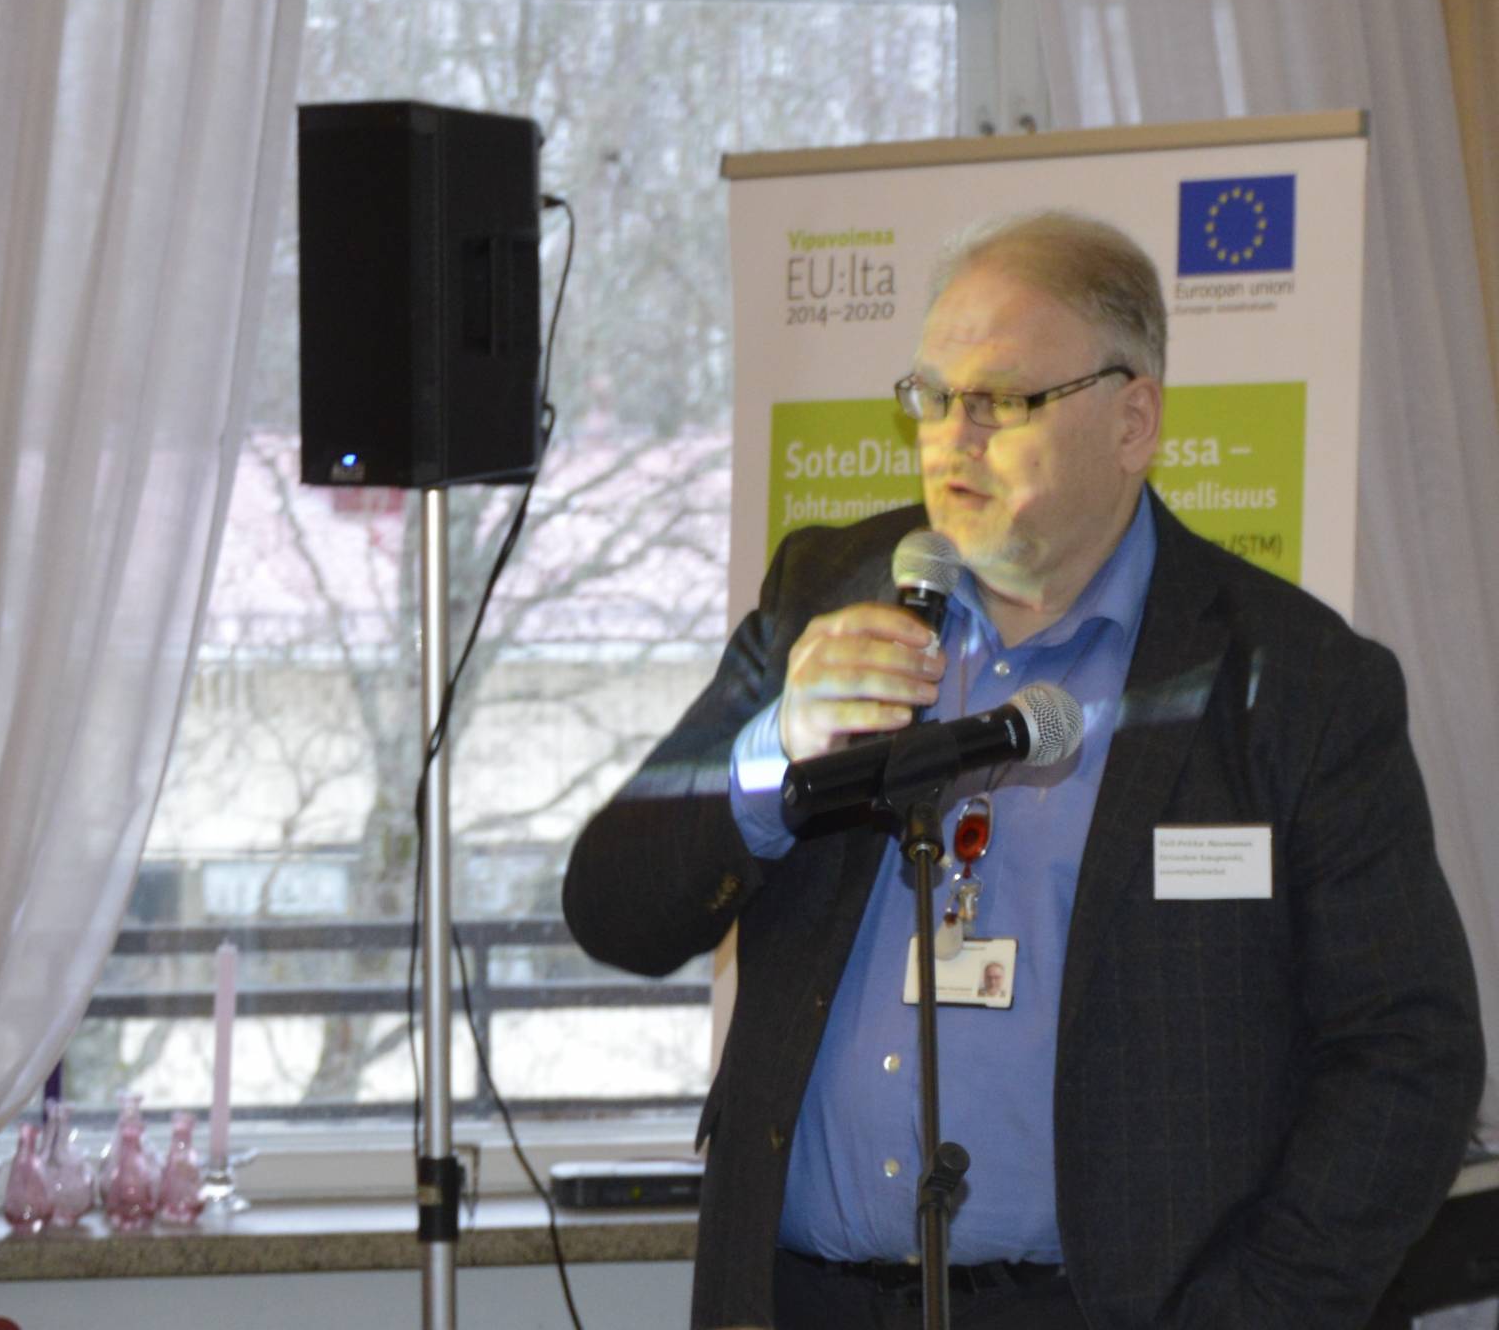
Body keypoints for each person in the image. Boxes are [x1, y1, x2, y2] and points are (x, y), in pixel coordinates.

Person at [563, 211, 1484, 1330]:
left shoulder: (1289, 679)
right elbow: (614, 909)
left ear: (1132, 420)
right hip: (800, 1299)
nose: (950, 439)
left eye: (999, 401)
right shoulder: (823, 595)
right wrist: (773, 751)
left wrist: (1258, 1310)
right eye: (931, 396)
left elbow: (1409, 1052)